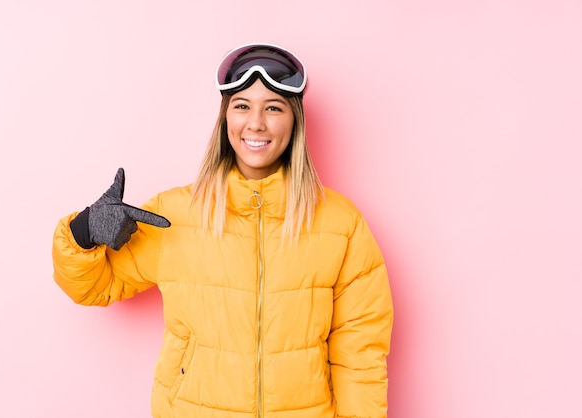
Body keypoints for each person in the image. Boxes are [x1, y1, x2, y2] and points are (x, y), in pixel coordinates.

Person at [52, 42, 393, 418]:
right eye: (242, 106)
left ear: (294, 120)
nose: (256, 123)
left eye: (274, 108)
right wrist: (85, 231)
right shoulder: (176, 214)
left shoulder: (340, 225)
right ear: (225, 118)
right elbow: (90, 287)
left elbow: (359, 355)